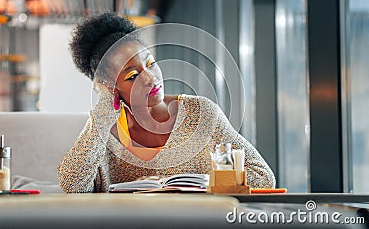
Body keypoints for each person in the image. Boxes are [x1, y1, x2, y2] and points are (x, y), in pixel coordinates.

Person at [57, 12, 275, 193]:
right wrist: (103, 116)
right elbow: (72, 186)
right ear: (110, 87)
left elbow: (263, 177)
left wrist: (201, 187)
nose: (150, 78)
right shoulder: (103, 131)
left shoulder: (201, 113)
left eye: (150, 63)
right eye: (132, 76)